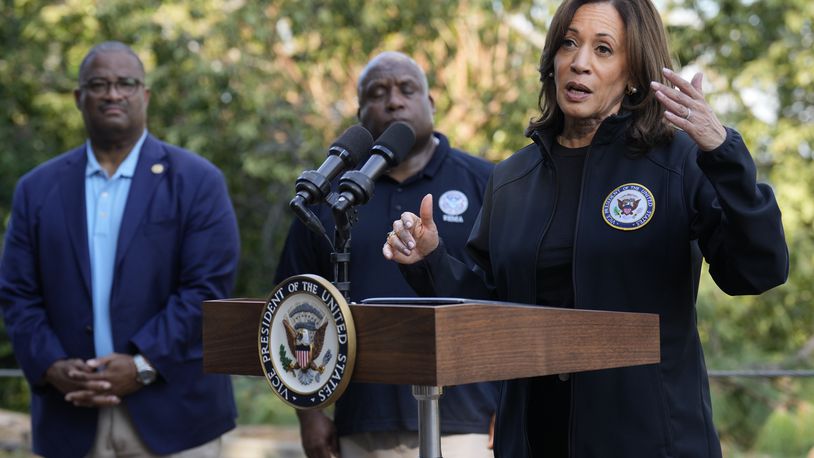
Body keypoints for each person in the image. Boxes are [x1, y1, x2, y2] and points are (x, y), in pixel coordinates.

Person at [382, 0, 789, 456]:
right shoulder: (511, 179)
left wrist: (723, 153)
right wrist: (430, 260)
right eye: (569, 43)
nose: (579, 62)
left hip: (652, 443)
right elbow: (490, 308)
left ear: (633, 73)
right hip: (534, 443)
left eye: (603, 49)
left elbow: (758, 271)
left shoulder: (678, 161)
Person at [0, 41, 240, 457]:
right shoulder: (37, 189)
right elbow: (17, 294)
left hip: (177, 419)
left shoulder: (198, 181)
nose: (113, 94)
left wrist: (143, 366)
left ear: (144, 95)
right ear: (79, 97)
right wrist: (51, 365)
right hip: (69, 417)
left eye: (126, 83)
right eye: (99, 84)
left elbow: (206, 290)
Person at [275, 51, 498, 458]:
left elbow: (512, 298)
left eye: (407, 89)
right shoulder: (329, 197)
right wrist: (309, 414)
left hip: (467, 423)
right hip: (362, 424)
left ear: (430, 104)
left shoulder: (487, 182)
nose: (394, 100)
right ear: (360, 113)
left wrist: (512, 406)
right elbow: (292, 302)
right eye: (378, 92)